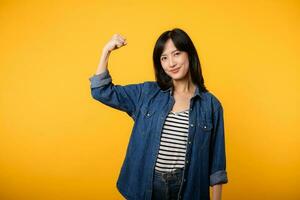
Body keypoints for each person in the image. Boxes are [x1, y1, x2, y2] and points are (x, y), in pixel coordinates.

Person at [89, 28, 228, 200]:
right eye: (164, 58)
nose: (171, 63)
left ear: (189, 54)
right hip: (145, 186)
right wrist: (106, 51)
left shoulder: (211, 105)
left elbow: (217, 165)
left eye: (176, 53)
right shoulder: (146, 93)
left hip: (188, 188)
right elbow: (101, 91)